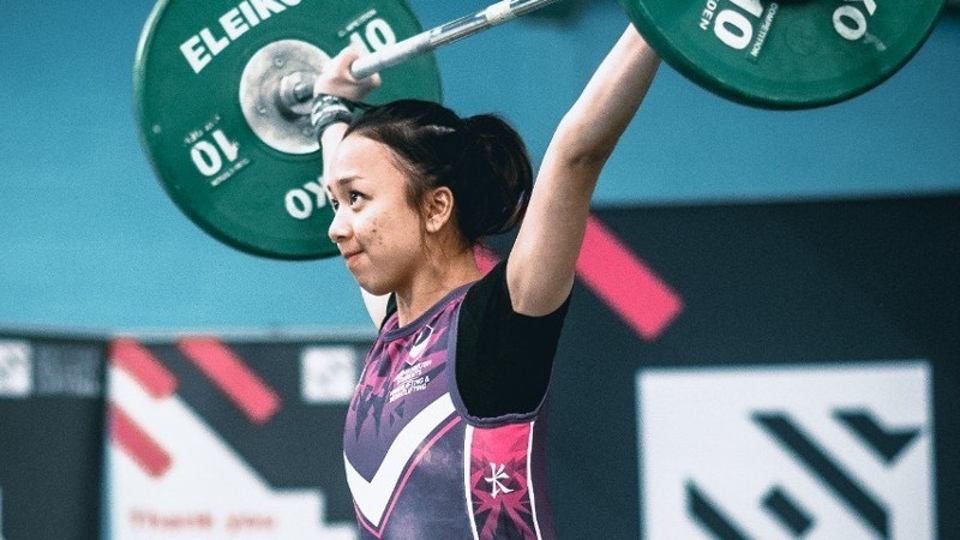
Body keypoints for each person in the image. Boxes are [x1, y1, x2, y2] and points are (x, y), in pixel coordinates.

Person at [312, 22, 659, 540]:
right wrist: (329, 112)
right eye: (334, 203)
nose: (336, 226)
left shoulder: (496, 329)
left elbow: (577, 152)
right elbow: (346, 171)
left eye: (355, 201)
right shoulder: (396, 331)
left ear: (435, 208)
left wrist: (662, 20)